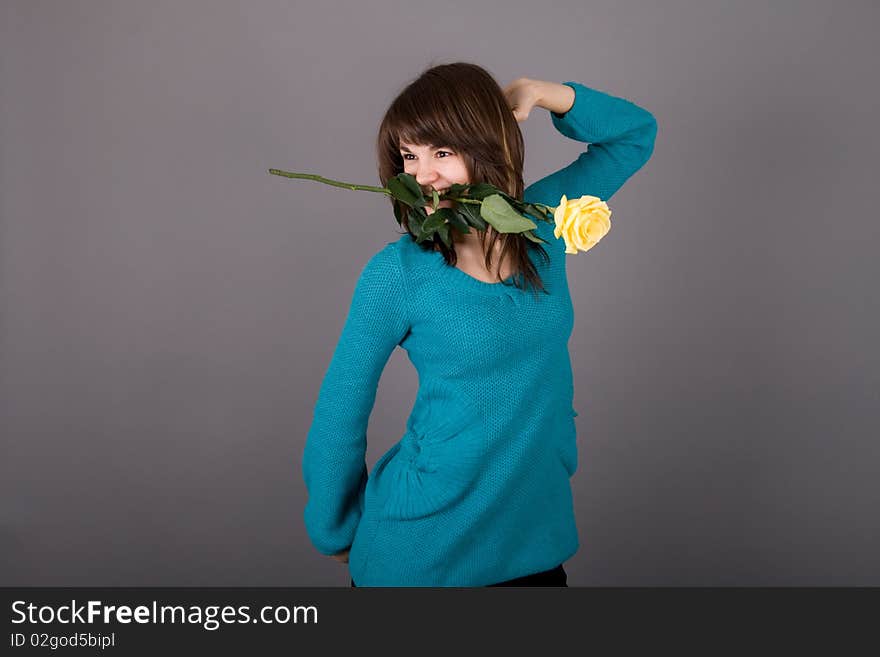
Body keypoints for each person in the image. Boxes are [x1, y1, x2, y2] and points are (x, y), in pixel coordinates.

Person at [302, 62, 657, 586]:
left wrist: (541, 93)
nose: (423, 175)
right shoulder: (398, 273)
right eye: (409, 156)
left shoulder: (545, 223)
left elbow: (634, 134)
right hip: (420, 552)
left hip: (533, 540)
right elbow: (342, 403)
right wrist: (334, 529)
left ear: (487, 142)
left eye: (442, 152)